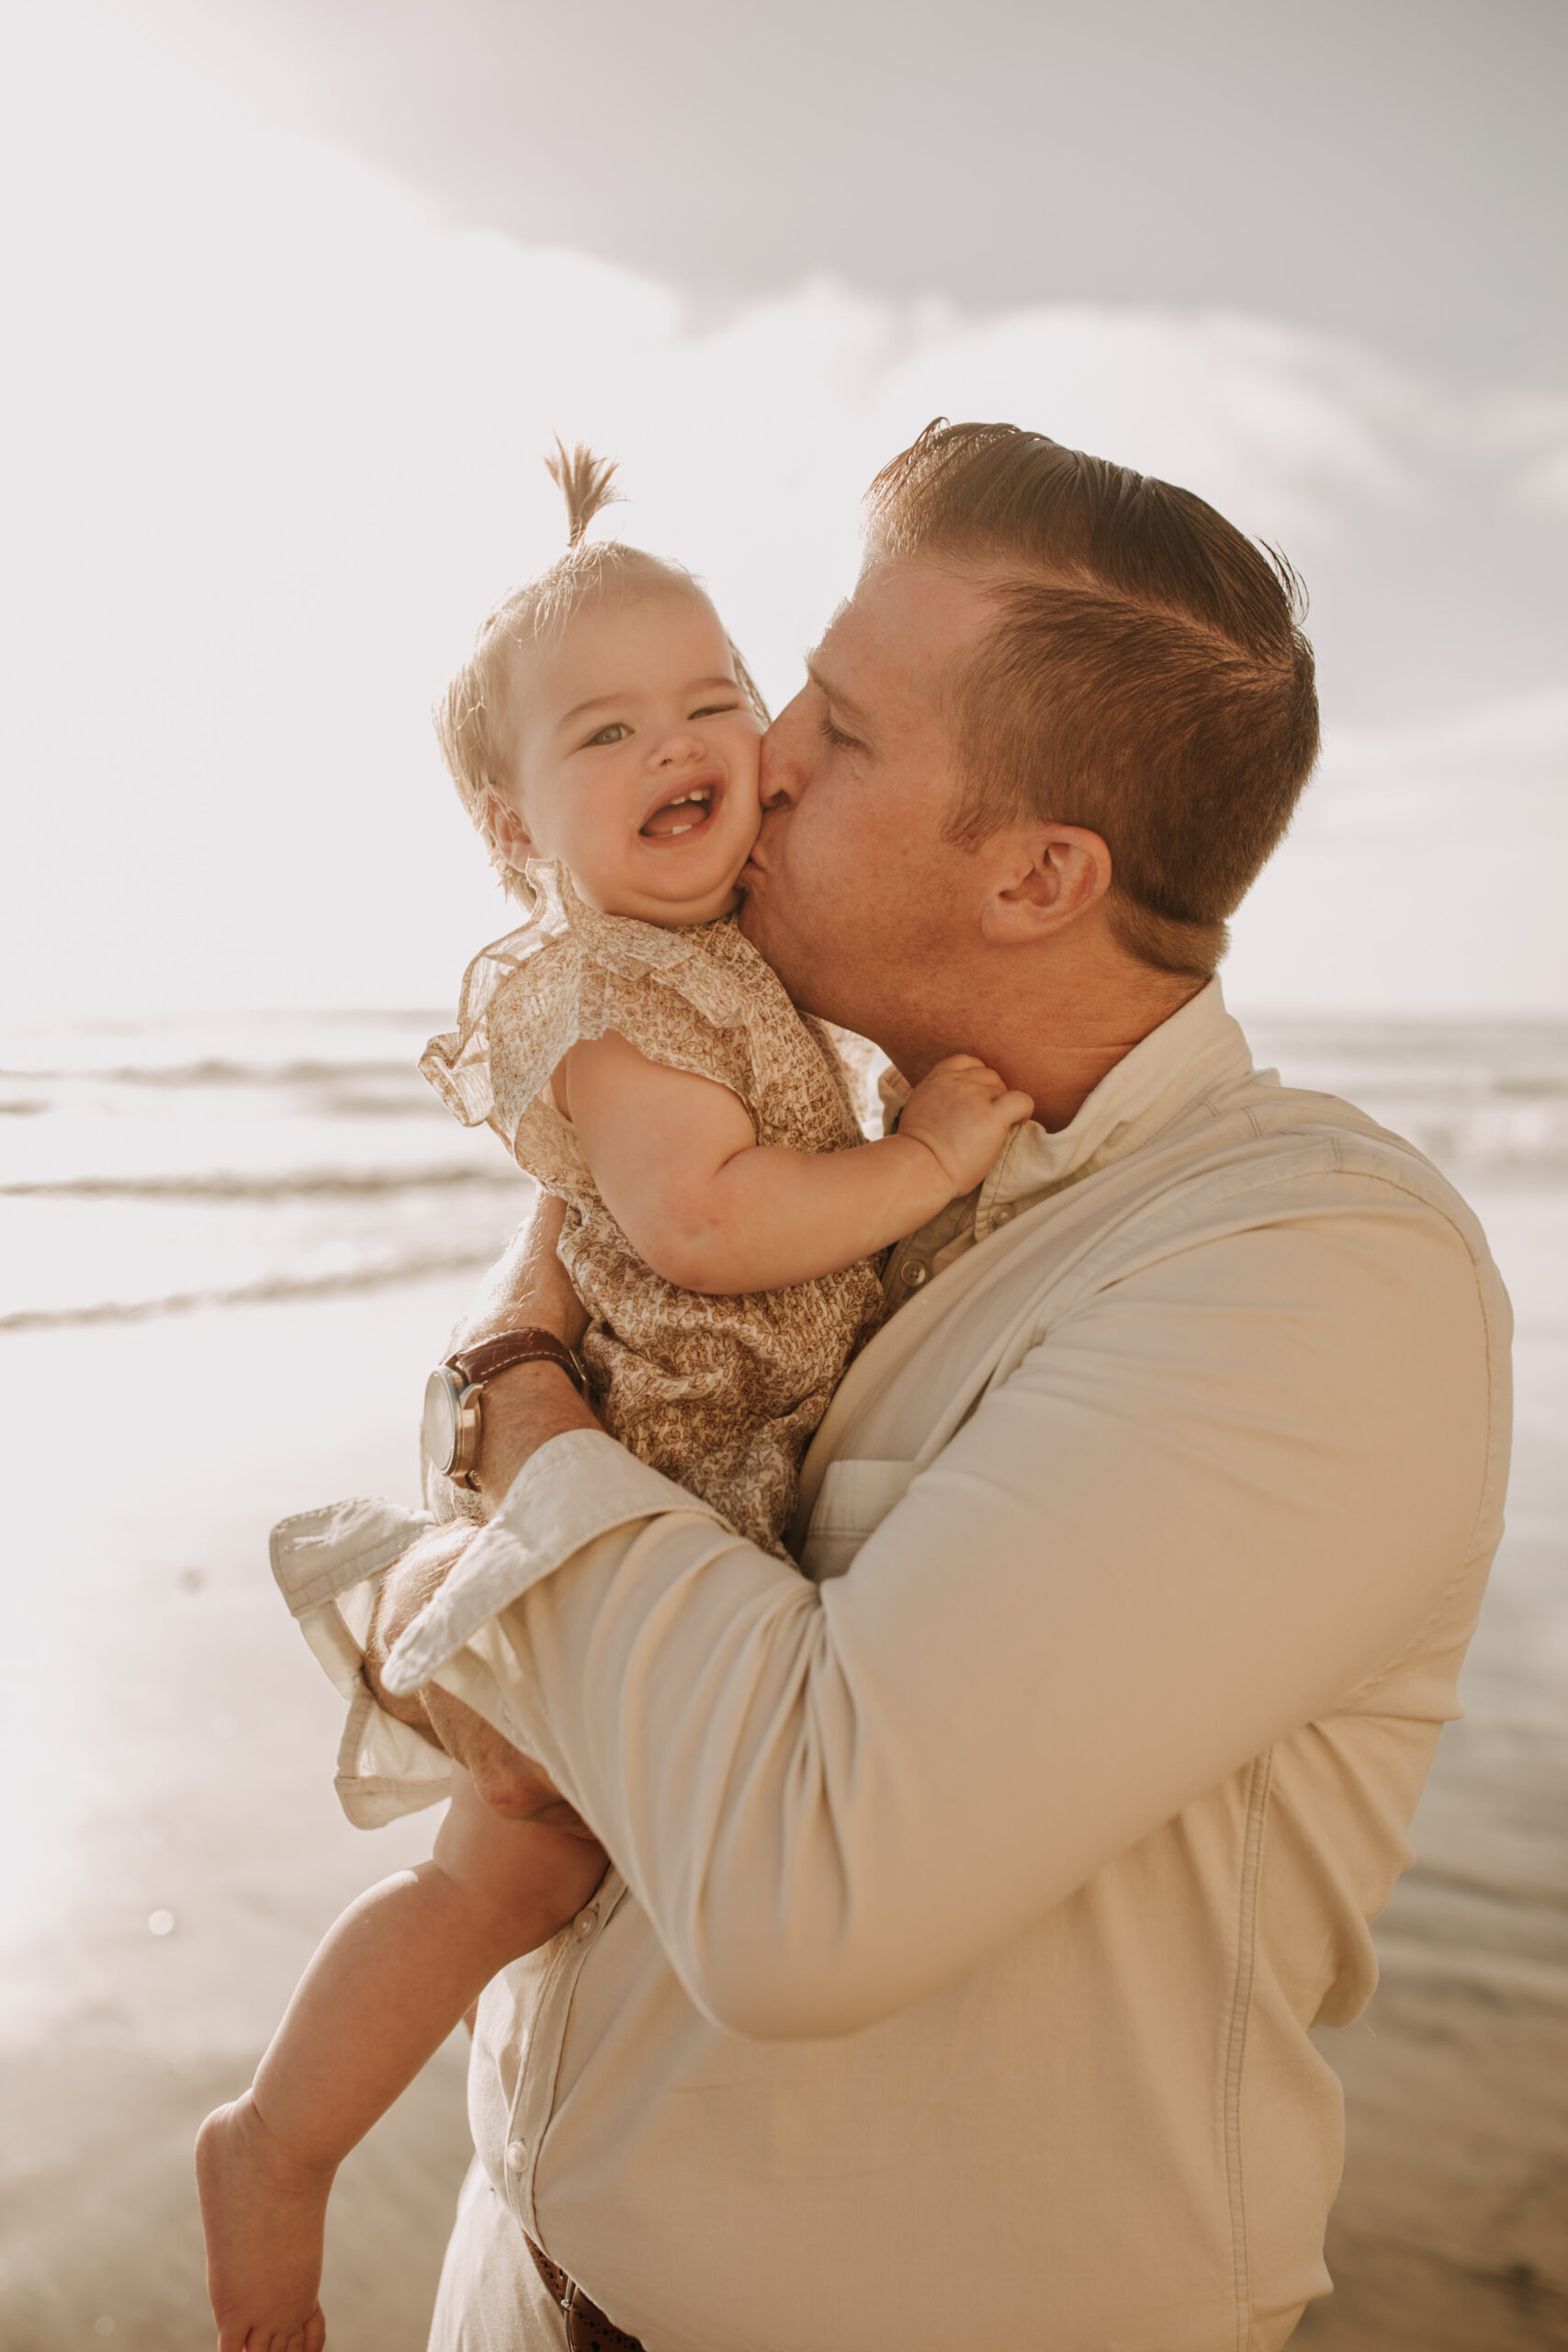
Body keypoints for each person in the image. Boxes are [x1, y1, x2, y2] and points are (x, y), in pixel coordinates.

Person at [333, 423, 1507, 2350]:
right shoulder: (798, 1166)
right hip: (515, 2280)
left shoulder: (1305, 1267)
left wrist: (518, 1402)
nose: (761, 751)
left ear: (1041, 874)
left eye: (842, 728)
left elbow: (803, 1877)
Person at [195, 445, 1029, 2352]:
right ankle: (279, 2142)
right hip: (639, 1476)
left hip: (696, 1474)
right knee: (517, 1857)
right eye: (604, 731)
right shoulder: (592, 997)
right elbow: (704, 1213)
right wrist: (928, 1162)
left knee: (587, 1872)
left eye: (713, 700)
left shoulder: (725, 950)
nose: (683, 743)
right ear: (512, 829)